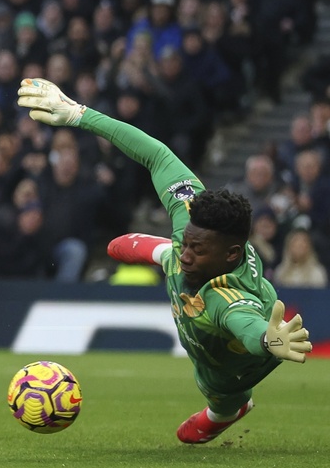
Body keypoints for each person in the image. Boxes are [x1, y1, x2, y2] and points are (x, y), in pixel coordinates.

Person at [17, 77, 311, 444]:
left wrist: (267, 342)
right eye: (186, 243)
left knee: (215, 401)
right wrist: (79, 114)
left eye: (197, 250)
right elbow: (156, 154)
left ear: (231, 255)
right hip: (211, 312)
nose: (187, 254)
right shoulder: (197, 217)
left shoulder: (228, 299)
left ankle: (227, 411)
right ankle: (159, 251)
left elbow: (247, 327)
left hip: (234, 368)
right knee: (163, 254)